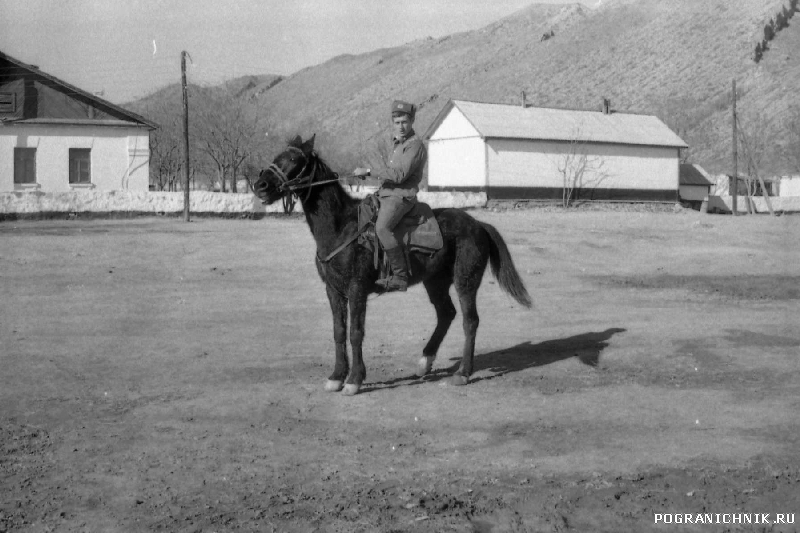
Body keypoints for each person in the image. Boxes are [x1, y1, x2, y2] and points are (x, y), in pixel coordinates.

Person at [354, 100, 427, 292]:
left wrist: (369, 171)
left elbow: (398, 175)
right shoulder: (397, 144)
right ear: (392, 123)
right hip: (387, 193)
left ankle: (400, 276)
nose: (401, 127)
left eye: (404, 122)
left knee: (383, 228)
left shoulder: (415, 146)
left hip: (402, 197)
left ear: (412, 121)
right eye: (397, 122)